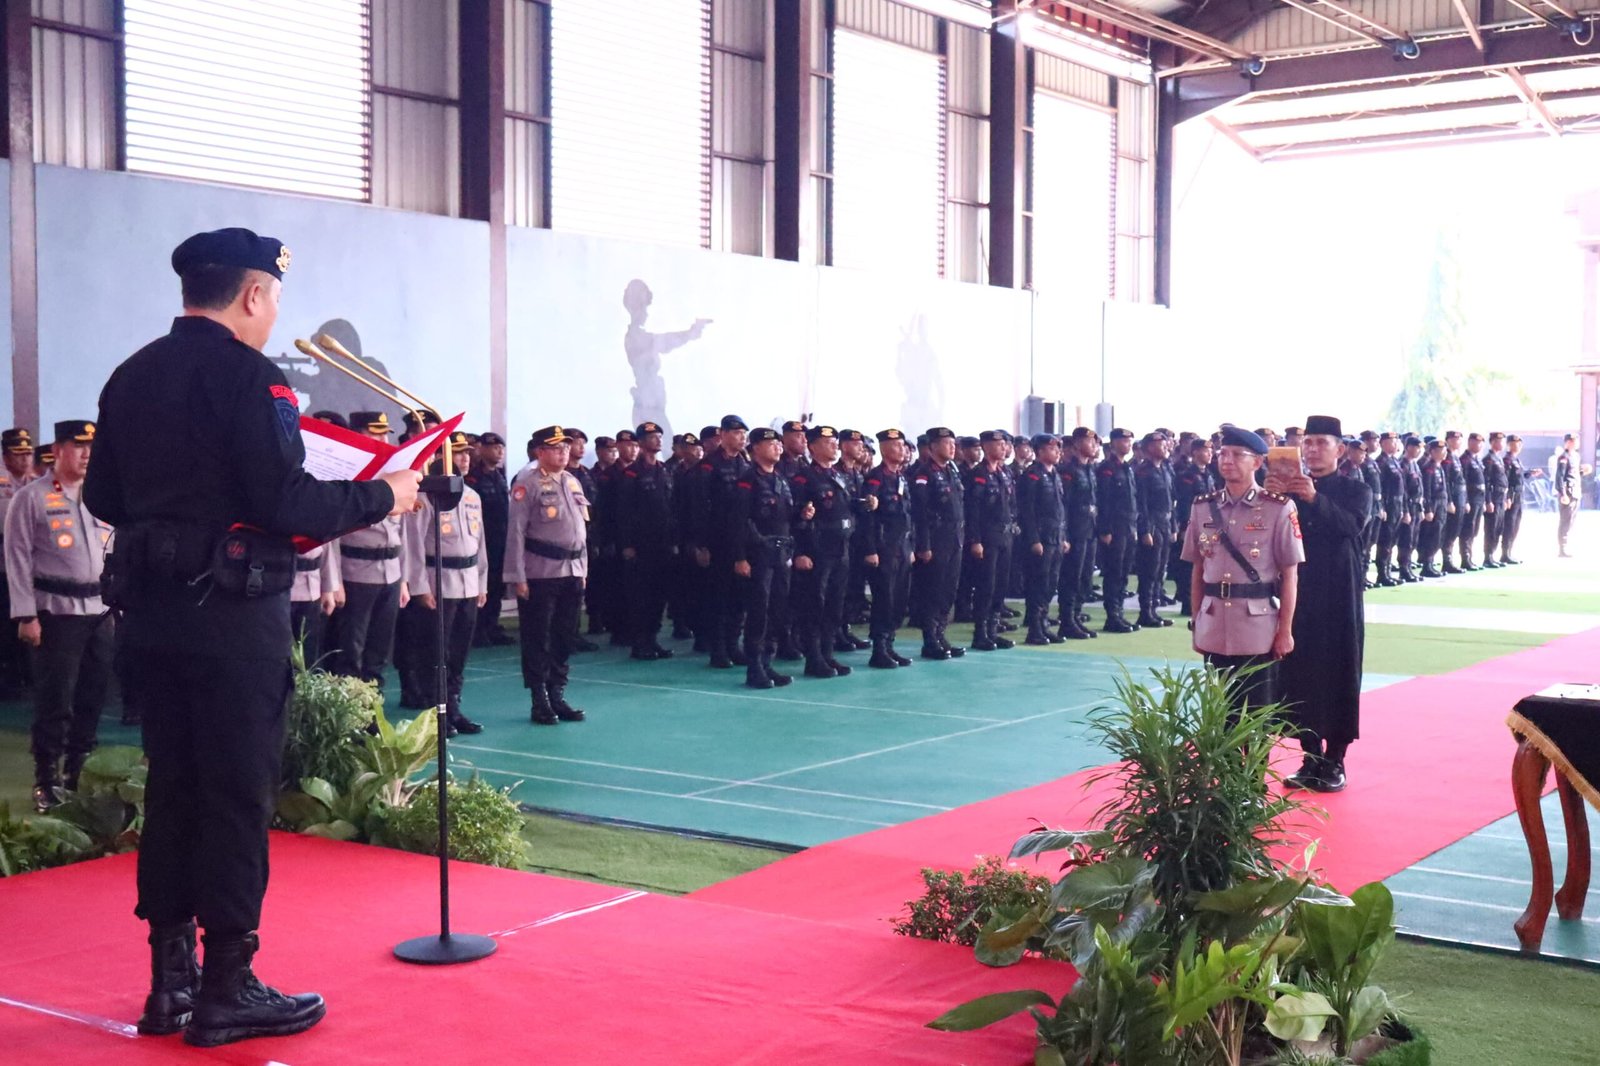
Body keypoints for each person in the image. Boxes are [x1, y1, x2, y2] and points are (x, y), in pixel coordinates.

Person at [84, 227, 419, 1046]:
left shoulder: (131, 375)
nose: (273, 313)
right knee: (236, 796)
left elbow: (103, 497)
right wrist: (388, 495)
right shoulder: (251, 378)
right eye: (273, 298)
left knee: (175, 790)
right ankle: (228, 986)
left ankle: (171, 985)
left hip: (152, 619)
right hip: (232, 620)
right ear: (253, 293)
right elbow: (287, 504)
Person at [7, 419, 114, 810]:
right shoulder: (31, 498)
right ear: (58, 450)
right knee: (56, 700)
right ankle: (47, 778)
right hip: (56, 613)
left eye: (91, 448)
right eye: (78, 446)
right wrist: (26, 615)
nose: (87, 455)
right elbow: (17, 557)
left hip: (100, 611)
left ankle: (78, 772)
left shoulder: (102, 495)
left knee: (93, 696)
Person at [1266, 415, 1370, 793]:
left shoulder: (1356, 489)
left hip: (1340, 592)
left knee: (1341, 671)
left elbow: (1350, 525)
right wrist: (1272, 496)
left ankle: (1336, 759)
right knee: (1299, 672)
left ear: (1339, 449)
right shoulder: (1288, 491)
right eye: (1307, 443)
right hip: (1299, 591)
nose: (1312, 450)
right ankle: (1310, 757)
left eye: (1321, 443)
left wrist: (1313, 498)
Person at [1180, 426, 1301, 712]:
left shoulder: (1278, 508)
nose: (1227, 460)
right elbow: (1198, 570)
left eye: (1237, 454)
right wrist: (1197, 622)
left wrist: (1285, 630)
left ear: (1257, 462)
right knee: (1218, 715)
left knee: (1255, 716)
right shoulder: (1202, 507)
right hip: (1213, 624)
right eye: (1223, 454)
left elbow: (1290, 575)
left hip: (1257, 628)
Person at [401, 432, 488, 737]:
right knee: (436, 652)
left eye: (466, 453)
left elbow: (480, 544)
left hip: (468, 582)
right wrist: (420, 586)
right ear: (440, 457)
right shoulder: (426, 496)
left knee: (459, 652)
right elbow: (413, 543)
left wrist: (482, 582)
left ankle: (454, 707)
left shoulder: (472, 495)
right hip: (440, 582)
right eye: (457, 452)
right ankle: (435, 712)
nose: (464, 458)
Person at [506, 426, 590, 725]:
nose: (563, 453)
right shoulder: (526, 484)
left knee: (564, 635)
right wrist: (517, 576)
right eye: (556, 448)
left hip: (572, 570)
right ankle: (539, 698)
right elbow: (516, 532)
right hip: (540, 572)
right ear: (540, 452)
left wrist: (583, 569)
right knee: (537, 637)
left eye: (566, 447)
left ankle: (557, 693)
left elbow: (580, 531)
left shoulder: (572, 481)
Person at [333, 414, 407, 692]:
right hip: (356, 572)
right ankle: (350, 709)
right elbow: (331, 537)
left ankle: (374, 704)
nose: (383, 439)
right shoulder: (346, 475)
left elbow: (404, 534)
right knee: (351, 648)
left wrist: (404, 580)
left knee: (379, 648)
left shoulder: (392, 476)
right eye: (375, 433)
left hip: (391, 572)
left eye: (385, 433)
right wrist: (334, 582)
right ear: (358, 434)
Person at [731, 427, 810, 688]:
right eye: (771, 443)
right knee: (759, 611)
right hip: (758, 553)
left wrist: (803, 514)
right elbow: (739, 520)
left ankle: (767, 662)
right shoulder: (747, 479)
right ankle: (754, 667)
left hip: (781, 552)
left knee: (778, 609)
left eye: (778, 443)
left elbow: (785, 516)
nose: (777, 447)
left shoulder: (780, 479)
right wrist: (740, 557)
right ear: (755, 448)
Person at [788, 426, 858, 678]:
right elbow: (795, 517)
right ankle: (814, 657)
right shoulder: (804, 478)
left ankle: (827, 654)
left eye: (835, 441)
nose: (834, 445)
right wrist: (801, 551)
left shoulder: (838, 475)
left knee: (834, 604)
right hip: (816, 548)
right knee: (814, 604)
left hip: (840, 547)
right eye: (828, 442)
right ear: (813, 446)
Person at [690, 415, 752, 668]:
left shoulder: (745, 464)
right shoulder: (708, 466)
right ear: (723, 435)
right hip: (716, 541)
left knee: (739, 597)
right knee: (718, 597)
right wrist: (701, 544)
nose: (741, 438)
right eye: (736, 433)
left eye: (743, 433)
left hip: (740, 540)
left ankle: (733, 645)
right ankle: (718, 649)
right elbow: (698, 508)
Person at [618, 421, 676, 660]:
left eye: (660, 436)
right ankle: (640, 643)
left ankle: (652, 639)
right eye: (652, 437)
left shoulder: (664, 470)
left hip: (663, 543)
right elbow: (623, 512)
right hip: (641, 544)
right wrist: (627, 544)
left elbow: (671, 508)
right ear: (641, 442)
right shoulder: (632, 473)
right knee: (641, 595)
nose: (658, 440)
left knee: (659, 594)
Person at [861, 429, 915, 667]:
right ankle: (879, 649)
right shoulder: (875, 478)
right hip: (883, 548)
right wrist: (870, 549)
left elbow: (908, 515)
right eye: (897, 445)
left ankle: (890, 644)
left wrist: (910, 547)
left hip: (902, 546)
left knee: (899, 599)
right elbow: (868, 518)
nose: (902, 450)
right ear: (884, 449)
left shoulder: (901, 477)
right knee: (884, 599)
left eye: (903, 445)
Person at [910, 427, 966, 659]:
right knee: (933, 590)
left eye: (953, 443)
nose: (952, 447)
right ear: (933, 446)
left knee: (948, 590)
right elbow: (920, 513)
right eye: (946, 443)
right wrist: (924, 545)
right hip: (936, 540)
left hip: (954, 538)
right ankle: (930, 640)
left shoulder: (951, 471)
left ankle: (941, 635)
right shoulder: (924, 474)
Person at [963, 429, 1018, 651]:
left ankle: (993, 631)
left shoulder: (1004, 473)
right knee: (986, 585)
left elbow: (1012, 504)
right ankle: (980, 633)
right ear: (986, 447)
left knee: (1001, 585)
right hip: (987, 538)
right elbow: (973, 510)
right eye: (998, 444)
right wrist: (975, 540)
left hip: (1005, 535)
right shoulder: (978, 474)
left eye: (1004, 444)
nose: (1003, 448)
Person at [1017, 433, 1067, 646]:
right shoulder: (1032, 476)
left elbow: (1060, 509)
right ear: (1040, 451)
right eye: (1052, 449)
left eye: (1058, 448)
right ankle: (1035, 629)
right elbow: (1026, 511)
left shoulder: (1054, 474)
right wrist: (1033, 539)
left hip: (1055, 537)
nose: (1058, 452)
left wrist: (1063, 536)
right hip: (1041, 538)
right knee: (1038, 583)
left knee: (1050, 584)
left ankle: (1044, 624)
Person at [0, 427, 38, 695]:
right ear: (5, 457)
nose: (25, 459)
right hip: (2, 569)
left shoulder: (38, 484)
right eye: (18, 454)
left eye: (28, 453)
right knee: (4, 624)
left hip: (32, 569)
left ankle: (26, 675)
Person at [466, 430, 512, 646]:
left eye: (501, 448)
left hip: (501, 540)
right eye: (495, 448)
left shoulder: (500, 476)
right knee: (482, 586)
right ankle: (478, 629)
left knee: (496, 587)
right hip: (483, 540)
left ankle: (492, 626)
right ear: (482, 450)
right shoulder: (473, 478)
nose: (500, 452)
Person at [1096, 428, 1140, 634]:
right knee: (1113, 573)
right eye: (1123, 441)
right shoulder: (1107, 469)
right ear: (1113, 443)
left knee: (1123, 573)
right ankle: (1112, 616)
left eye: (1130, 441)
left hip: (1128, 527)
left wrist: (1135, 527)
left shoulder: (1127, 468)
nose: (1128, 444)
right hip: (1114, 528)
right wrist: (1105, 529)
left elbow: (1133, 500)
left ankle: (1119, 613)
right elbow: (1104, 501)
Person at [1057, 427, 1098, 639]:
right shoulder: (1068, 471)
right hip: (1075, 531)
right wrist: (1064, 535)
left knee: (1085, 577)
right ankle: (1066, 620)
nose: (1094, 446)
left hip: (1089, 529)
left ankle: (1076, 616)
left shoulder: (1089, 469)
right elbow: (1063, 505)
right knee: (1071, 577)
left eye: (1095, 443)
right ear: (1076, 445)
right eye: (1089, 442)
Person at [1133, 432, 1176, 628]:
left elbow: (1171, 502)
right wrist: (1145, 530)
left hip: (1165, 523)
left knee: (1160, 570)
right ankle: (1145, 612)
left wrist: (1173, 526)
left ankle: (1153, 610)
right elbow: (1141, 504)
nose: (1166, 447)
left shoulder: (1165, 469)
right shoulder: (1143, 472)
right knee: (1149, 570)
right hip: (1152, 525)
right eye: (1161, 444)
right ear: (1150, 448)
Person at [1171, 437, 1217, 615]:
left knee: (1205, 562)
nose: (1210, 454)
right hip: (1191, 524)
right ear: (1196, 452)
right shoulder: (1187, 476)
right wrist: (1184, 526)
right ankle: (1187, 603)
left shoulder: (1208, 474)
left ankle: (1199, 600)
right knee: (1189, 566)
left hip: (1208, 525)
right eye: (1206, 451)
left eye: (1211, 451)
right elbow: (1184, 503)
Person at [289, 540, 340, 670]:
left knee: (309, 655)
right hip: (278, 590)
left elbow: (326, 542)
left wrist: (328, 588)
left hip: (311, 589)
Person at [1417, 438, 1448, 578]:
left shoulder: (1439, 466)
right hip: (1434, 504)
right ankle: (1426, 565)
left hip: (1441, 504)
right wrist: (1428, 509)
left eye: (1445, 450)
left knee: (1438, 534)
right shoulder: (1428, 468)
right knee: (1431, 535)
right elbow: (1427, 491)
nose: (1444, 453)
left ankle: (1430, 563)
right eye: (1441, 451)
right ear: (1433, 452)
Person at [1458, 432, 1486, 570]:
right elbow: (1464, 482)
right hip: (1471, 497)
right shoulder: (1464, 460)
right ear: (1469, 443)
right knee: (1468, 529)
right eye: (1476, 443)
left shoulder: (1477, 459)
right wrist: (1466, 501)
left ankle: (1470, 557)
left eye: (1481, 443)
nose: (1479, 445)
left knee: (1474, 529)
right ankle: (1465, 558)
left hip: (1479, 497)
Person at [1481, 432, 1508, 568]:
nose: (1502, 444)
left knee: (1498, 528)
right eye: (1499, 441)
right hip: (1493, 497)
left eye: (1502, 441)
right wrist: (1488, 501)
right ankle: (1488, 557)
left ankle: (1493, 555)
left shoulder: (1498, 458)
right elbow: (1486, 481)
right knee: (1491, 528)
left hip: (1501, 497)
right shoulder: (1489, 459)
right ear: (1492, 442)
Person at [1501, 434, 1525, 564]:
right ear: (1509, 445)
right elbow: (1506, 481)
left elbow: (1518, 477)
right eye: (1515, 444)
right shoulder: (1507, 460)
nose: (1518, 446)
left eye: (1520, 444)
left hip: (1519, 496)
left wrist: (1529, 473)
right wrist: (1508, 497)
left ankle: (1509, 552)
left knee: (1516, 525)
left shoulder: (1516, 460)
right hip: (1512, 496)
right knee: (1509, 525)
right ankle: (1505, 553)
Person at [1556, 433, 1580, 557]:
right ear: (1568, 442)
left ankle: (1566, 545)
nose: (1577, 443)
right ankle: (1562, 548)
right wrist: (1562, 493)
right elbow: (1560, 476)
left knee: (1571, 521)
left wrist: (1583, 471)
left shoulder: (1575, 456)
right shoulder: (1564, 457)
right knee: (1565, 521)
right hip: (1568, 493)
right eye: (1574, 440)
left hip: (1575, 492)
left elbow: (1572, 474)